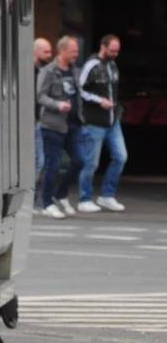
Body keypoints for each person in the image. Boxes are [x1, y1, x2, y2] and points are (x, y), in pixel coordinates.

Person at [76, 33, 128, 213]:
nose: (115, 54)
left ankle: (107, 195)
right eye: (112, 50)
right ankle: (84, 198)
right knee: (91, 162)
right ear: (103, 47)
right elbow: (80, 89)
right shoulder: (92, 65)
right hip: (94, 121)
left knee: (121, 156)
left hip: (113, 120)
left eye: (117, 51)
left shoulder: (113, 65)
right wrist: (99, 101)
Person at [36, 35, 83, 218]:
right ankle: (47, 202)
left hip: (73, 123)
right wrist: (58, 105)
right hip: (53, 124)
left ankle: (60, 193)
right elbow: (40, 96)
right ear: (62, 51)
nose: (76, 54)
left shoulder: (75, 71)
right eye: (73, 51)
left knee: (79, 161)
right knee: (52, 165)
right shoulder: (49, 71)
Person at [33, 37, 53, 186]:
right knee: (39, 162)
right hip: (31, 122)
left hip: (40, 121)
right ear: (36, 52)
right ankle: (31, 200)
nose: (50, 54)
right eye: (46, 52)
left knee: (41, 161)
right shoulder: (28, 71)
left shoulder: (45, 71)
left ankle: (34, 200)